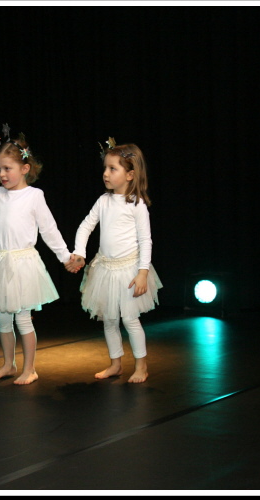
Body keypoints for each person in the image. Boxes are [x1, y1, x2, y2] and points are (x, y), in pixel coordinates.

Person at [0, 130, 71, 385]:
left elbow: (49, 229)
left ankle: (29, 368)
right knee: (3, 318)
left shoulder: (34, 195)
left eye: (7, 168)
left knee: (22, 318)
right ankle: (8, 364)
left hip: (23, 264)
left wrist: (65, 256)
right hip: (1, 263)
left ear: (24, 168)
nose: (2, 174)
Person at [65, 139, 162, 384]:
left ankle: (141, 365)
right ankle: (115, 364)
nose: (106, 174)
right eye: (105, 168)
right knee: (109, 319)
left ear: (130, 174)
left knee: (129, 319)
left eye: (112, 169)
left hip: (129, 270)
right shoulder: (103, 201)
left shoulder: (137, 204)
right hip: (105, 268)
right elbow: (86, 226)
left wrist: (142, 272)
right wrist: (79, 252)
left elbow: (146, 240)